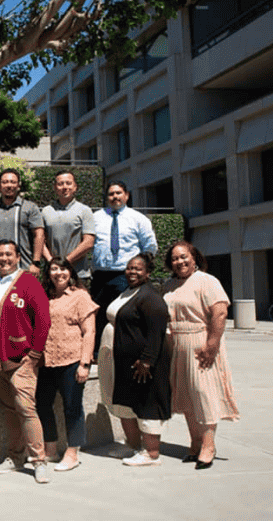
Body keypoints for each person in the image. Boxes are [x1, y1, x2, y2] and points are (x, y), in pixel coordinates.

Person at [162, 241, 239, 470]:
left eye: (184, 257)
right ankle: (194, 443)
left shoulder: (207, 281)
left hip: (200, 342)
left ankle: (208, 445)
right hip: (177, 344)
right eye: (175, 258)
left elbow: (220, 312)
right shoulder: (169, 285)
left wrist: (212, 344)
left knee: (203, 394)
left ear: (194, 258)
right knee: (186, 396)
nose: (180, 262)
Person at [0, 240, 51, 484]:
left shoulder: (28, 282)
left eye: (8, 254)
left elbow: (43, 318)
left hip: (21, 358)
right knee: (10, 409)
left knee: (25, 408)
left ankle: (39, 460)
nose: (3, 258)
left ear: (17, 257)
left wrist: (35, 353)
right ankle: (15, 456)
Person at [106, 253, 172, 466]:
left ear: (148, 273)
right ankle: (133, 447)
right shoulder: (129, 292)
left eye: (138, 269)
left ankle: (151, 453)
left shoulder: (150, 296)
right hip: (126, 363)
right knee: (127, 404)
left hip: (143, 365)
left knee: (147, 404)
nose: (132, 272)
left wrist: (147, 361)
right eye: (129, 268)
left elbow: (157, 331)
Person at [35, 257, 97, 472]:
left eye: (63, 268)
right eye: (53, 268)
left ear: (70, 272)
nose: (58, 273)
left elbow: (89, 331)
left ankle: (72, 453)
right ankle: (50, 450)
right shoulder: (44, 296)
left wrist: (85, 363)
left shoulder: (80, 296)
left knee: (72, 407)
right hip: (46, 361)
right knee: (43, 405)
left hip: (71, 360)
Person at [91, 181, 157, 354]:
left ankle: (125, 348)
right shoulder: (96, 217)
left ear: (126, 195)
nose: (115, 197)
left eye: (118, 193)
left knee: (125, 313)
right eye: (111, 194)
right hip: (101, 275)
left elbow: (150, 246)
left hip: (125, 275)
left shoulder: (138, 219)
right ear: (106, 197)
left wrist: (141, 270)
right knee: (99, 314)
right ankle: (99, 354)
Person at [41, 171, 95, 284]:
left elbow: (89, 242)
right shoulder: (45, 211)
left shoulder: (85, 210)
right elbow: (40, 240)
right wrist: (51, 262)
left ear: (75, 187)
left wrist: (66, 262)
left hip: (78, 274)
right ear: (55, 188)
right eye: (60, 184)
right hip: (53, 274)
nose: (65, 187)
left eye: (68, 183)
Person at [0, 168, 45, 275]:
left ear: (18, 186)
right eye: (5, 182)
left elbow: (39, 235)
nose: (9, 185)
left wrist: (36, 262)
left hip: (24, 269)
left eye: (13, 182)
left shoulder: (30, 207)